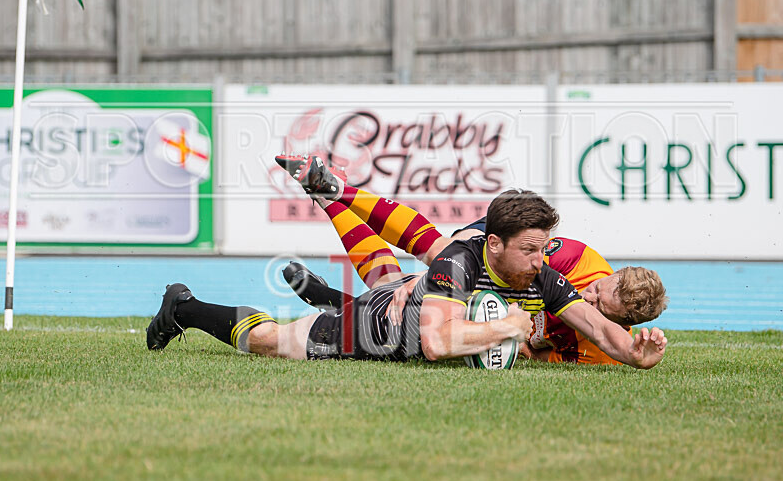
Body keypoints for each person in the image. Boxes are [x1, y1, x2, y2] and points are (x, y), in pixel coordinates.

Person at [147, 185, 667, 370]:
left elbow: (599, 329)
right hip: (378, 329)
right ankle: (183, 306)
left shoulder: (542, 276)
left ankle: (322, 292)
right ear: (495, 244)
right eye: (530, 249)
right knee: (272, 342)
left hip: (409, 312)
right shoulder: (459, 261)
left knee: (384, 283)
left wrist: (635, 354)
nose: (541, 260)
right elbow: (436, 344)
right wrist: (508, 328)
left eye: (543, 248)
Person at [277, 154, 668, 365]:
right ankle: (338, 192)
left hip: (493, 303)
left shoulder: (601, 353)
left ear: (623, 322)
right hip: (496, 248)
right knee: (432, 252)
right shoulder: (572, 259)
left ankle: (328, 220)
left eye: (601, 306)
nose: (589, 297)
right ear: (609, 274)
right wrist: (427, 278)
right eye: (598, 289)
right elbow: (471, 251)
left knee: (387, 289)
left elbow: (543, 354)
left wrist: (515, 342)